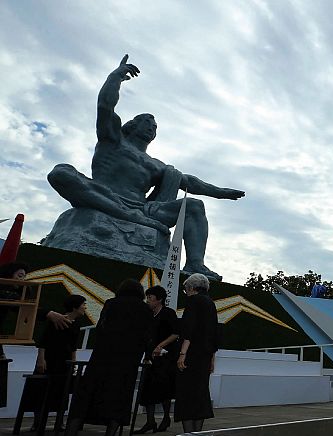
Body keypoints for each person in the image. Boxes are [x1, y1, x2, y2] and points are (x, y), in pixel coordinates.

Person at [46, 55, 245, 279]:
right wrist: (116, 76)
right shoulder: (113, 140)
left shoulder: (155, 165)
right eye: (148, 123)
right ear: (133, 125)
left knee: (194, 206)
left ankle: (195, 264)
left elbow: (189, 181)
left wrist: (221, 192)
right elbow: (104, 105)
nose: (152, 128)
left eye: (155, 126)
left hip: (143, 209)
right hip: (105, 195)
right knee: (60, 172)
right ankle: (124, 214)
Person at [42, 279, 151, 436]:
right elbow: (146, 336)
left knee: (84, 397)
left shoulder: (111, 303)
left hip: (103, 358)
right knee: (119, 399)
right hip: (127, 362)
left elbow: (101, 328)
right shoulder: (145, 310)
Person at [31, 294, 87, 431]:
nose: (85, 307)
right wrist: (41, 359)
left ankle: (59, 422)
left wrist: (73, 362)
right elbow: (43, 341)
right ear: (74, 307)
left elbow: (73, 346)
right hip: (50, 360)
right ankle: (37, 422)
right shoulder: (56, 320)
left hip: (64, 362)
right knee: (41, 391)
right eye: (83, 304)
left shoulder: (76, 324)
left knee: (62, 392)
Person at [133, 285, 180, 434]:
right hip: (150, 356)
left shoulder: (168, 313)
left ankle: (166, 418)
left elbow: (176, 333)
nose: (148, 301)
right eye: (147, 298)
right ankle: (150, 421)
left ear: (159, 300)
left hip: (166, 357)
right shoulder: (147, 314)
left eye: (150, 298)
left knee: (164, 388)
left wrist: (160, 346)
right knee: (147, 389)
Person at [175, 273, 217, 433]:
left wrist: (182, 353)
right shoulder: (210, 303)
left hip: (192, 354)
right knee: (200, 394)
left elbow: (189, 329)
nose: (186, 292)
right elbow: (214, 333)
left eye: (186, 289)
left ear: (192, 287)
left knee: (186, 393)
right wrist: (212, 358)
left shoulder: (193, 301)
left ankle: (188, 434)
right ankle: (197, 433)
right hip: (205, 356)